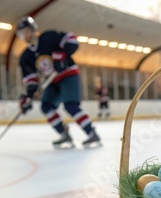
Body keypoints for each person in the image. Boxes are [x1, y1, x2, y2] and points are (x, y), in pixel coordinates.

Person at [16, 16, 101, 147]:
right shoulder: (26, 57)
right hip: (53, 80)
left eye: (27, 31)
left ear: (33, 30)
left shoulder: (48, 37)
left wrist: (62, 55)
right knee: (46, 106)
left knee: (70, 106)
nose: (25, 35)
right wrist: (28, 97)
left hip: (68, 74)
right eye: (22, 33)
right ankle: (64, 135)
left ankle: (92, 134)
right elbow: (31, 80)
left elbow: (72, 40)